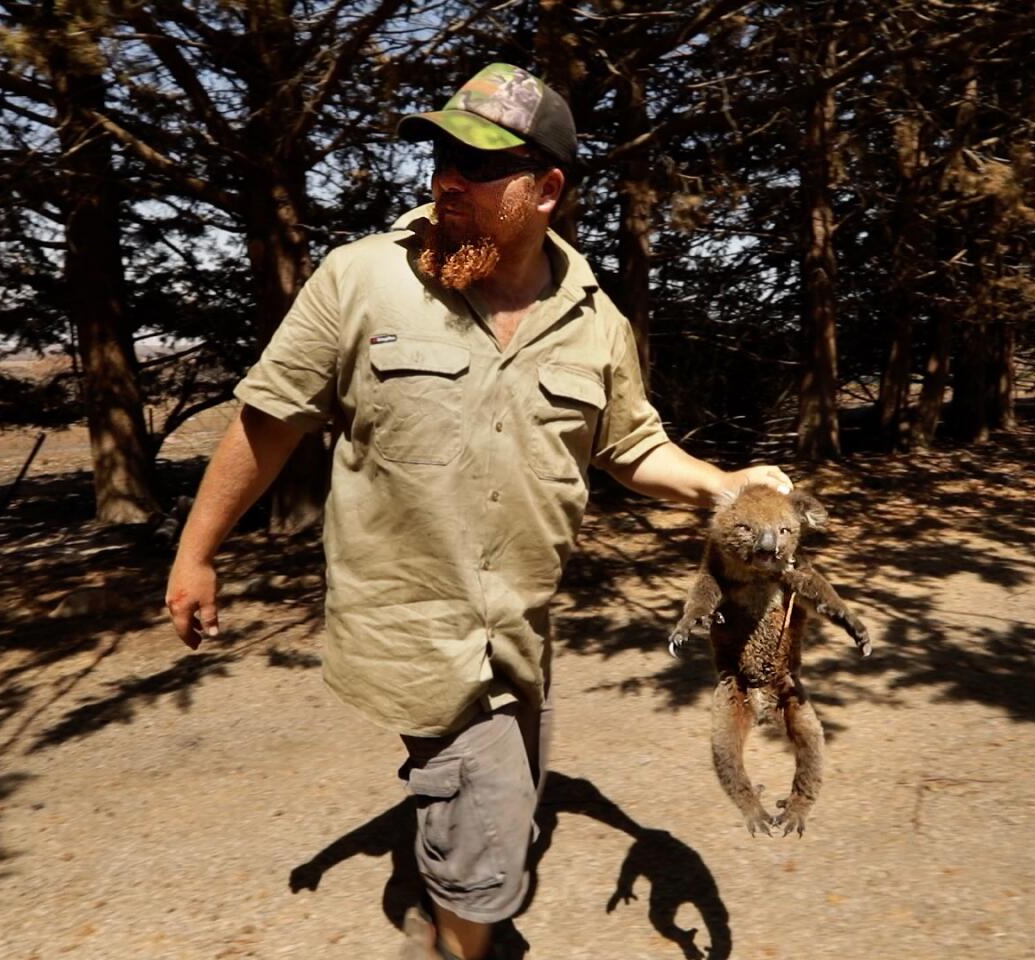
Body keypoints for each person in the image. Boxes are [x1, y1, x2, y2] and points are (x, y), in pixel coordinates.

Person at [165, 63, 791, 960]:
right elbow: (268, 419)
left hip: (519, 633)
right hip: (415, 633)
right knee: (490, 842)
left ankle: (446, 888)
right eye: (441, 153)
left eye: (479, 162)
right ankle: (456, 941)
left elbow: (633, 447)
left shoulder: (592, 320)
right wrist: (196, 552)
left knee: (505, 799)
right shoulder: (363, 281)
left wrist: (724, 486)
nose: (447, 177)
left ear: (546, 190)